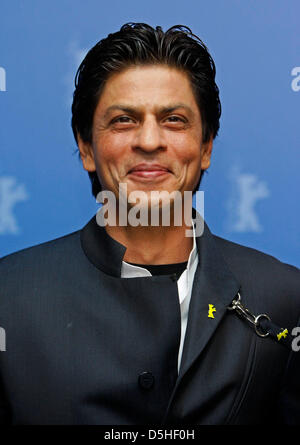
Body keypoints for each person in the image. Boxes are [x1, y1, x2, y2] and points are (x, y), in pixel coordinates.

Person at [0, 23, 299, 425]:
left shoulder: (284, 296)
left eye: (174, 119)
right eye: (124, 120)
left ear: (206, 146)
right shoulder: (8, 295)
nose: (149, 140)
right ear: (87, 147)